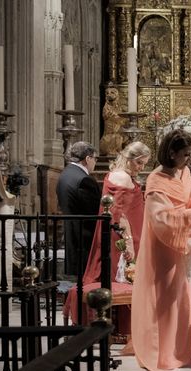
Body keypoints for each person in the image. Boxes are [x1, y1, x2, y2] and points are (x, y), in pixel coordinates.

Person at [131, 130, 191, 371]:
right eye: (185, 155)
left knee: (179, 294)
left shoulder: (183, 172)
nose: (189, 160)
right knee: (163, 296)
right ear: (171, 153)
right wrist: (190, 214)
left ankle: (178, 351)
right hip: (163, 244)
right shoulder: (155, 179)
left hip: (181, 240)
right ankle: (160, 353)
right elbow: (160, 217)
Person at [62, 142, 151, 343]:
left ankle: (116, 327)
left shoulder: (117, 174)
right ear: (129, 158)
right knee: (124, 277)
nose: (141, 167)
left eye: (144, 163)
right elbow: (118, 214)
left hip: (127, 234)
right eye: (139, 163)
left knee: (119, 276)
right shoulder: (123, 177)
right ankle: (119, 328)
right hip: (125, 237)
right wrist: (127, 242)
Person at [56, 141, 102, 276]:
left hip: (71, 233)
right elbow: (95, 213)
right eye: (95, 159)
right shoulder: (84, 180)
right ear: (87, 159)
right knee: (85, 278)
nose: (95, 162)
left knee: (74, 277)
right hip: (85, 239)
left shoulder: (65, 174)